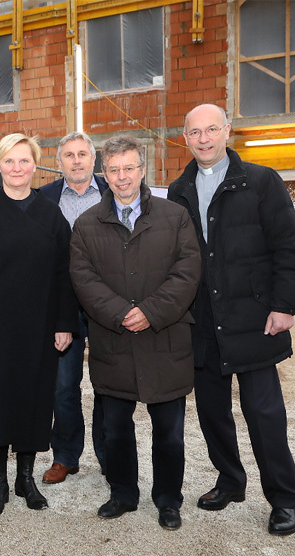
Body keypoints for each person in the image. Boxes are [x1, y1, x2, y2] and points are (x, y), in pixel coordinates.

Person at [168, 103, 295, 536]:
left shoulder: (261, 181)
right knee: (211, 411)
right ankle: (230, 480)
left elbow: (287, 246)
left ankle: (285, 497)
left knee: (264, 413)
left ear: (227, 131)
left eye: (211, 129)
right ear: (185, 138)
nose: (203, 139)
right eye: (195, 132)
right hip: (202, 320)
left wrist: (285, 305)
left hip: (253, 317)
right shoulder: (178, 189)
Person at [69, 135, 201, 530]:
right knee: (115, 430)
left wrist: (150, 311)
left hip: (165, 339)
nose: (122, 176)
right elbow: (83, 278)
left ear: (143, 170)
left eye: (129, 167)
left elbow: (187, 271)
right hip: (114, 341)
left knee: (169, 433)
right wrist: (122, 313)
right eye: (114, 170)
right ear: (104, 173)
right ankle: (123, 493)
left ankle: (168, 500)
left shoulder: (174, 216)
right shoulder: (86, 224)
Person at [0, 133, 77, 516]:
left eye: (24, 161)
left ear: (35, 165)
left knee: (32, 402)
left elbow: (65, 274)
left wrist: (64, 323)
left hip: (38, 329)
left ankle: (26, 478)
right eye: (9, 161)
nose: (17, 168)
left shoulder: (50, 214)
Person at [39, 131, 108, 484]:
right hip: (63, 306)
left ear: (94, 159)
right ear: (58, 161)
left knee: (109, 385)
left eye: (83, 154)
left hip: (108, 303)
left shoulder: (114, 192)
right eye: (69, 155)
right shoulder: (44, 198)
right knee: (63, 387)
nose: (77, 160)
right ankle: (65, 456)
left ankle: (110, 456)